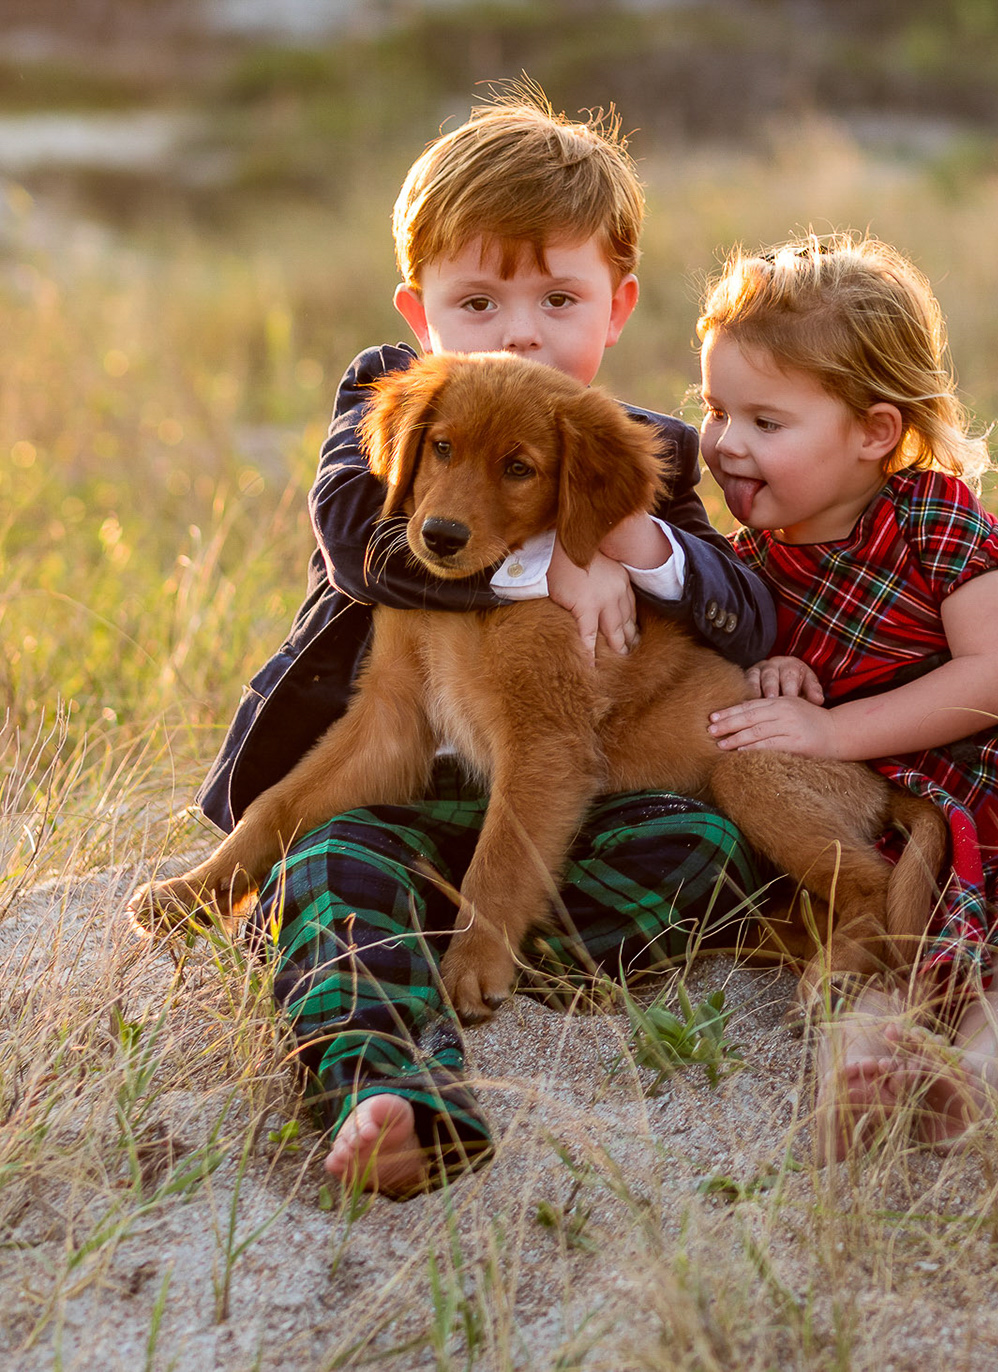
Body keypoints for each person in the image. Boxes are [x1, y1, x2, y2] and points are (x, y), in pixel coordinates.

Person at [198, 93, 776, 1198]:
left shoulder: (637, 445)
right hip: (392, 801)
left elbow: (744, 612)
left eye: (559, 298)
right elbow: (361, 544)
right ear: (420, 312)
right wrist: (542, 554)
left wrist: (627, 540)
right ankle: (389, 1087)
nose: (519, 331)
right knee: (326, 860)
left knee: (702, 843)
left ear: (618, 308)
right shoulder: (390, 393)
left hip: (570, 806)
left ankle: (443, 933)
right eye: (478, 300)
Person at [697, 234, 998, 1158]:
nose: (725, 443)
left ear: (875, 431)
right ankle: (858, 1073)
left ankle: (977, 1085)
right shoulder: (749, 567)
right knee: (879, 943)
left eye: (765, 422)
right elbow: (762, 687)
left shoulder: (930, 511)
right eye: (715, 410)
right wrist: (772, 673)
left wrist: (829, 728)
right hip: (895, 800)